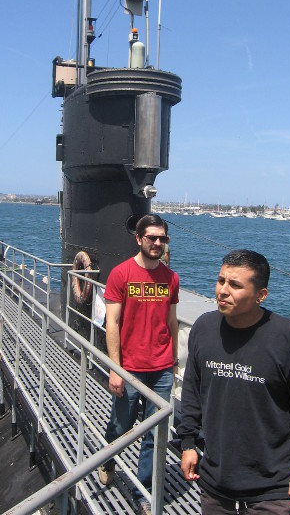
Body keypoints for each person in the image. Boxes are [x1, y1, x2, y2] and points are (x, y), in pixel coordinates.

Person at [177, 249, 290, 515]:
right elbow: (191, 392)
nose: (222, 290)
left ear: (261, 295)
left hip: (273, 491)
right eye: (221, 280)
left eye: (235, 285)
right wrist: (187, 443)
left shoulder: (287, 337)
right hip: (215, 486)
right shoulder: (204, 328)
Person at [98, 214, 179, 515]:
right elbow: (112, 324)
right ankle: (107, 458)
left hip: (161, 368)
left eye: (162, 238)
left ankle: (142, 490)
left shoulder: (171, 278)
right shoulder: (121, 274)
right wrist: (115, 370)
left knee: (155, 433)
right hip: (129, 368)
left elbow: (171, 321)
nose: (157, 242)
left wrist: (174, 361)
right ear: (139, 239)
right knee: (121, 424)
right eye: (152, 238)